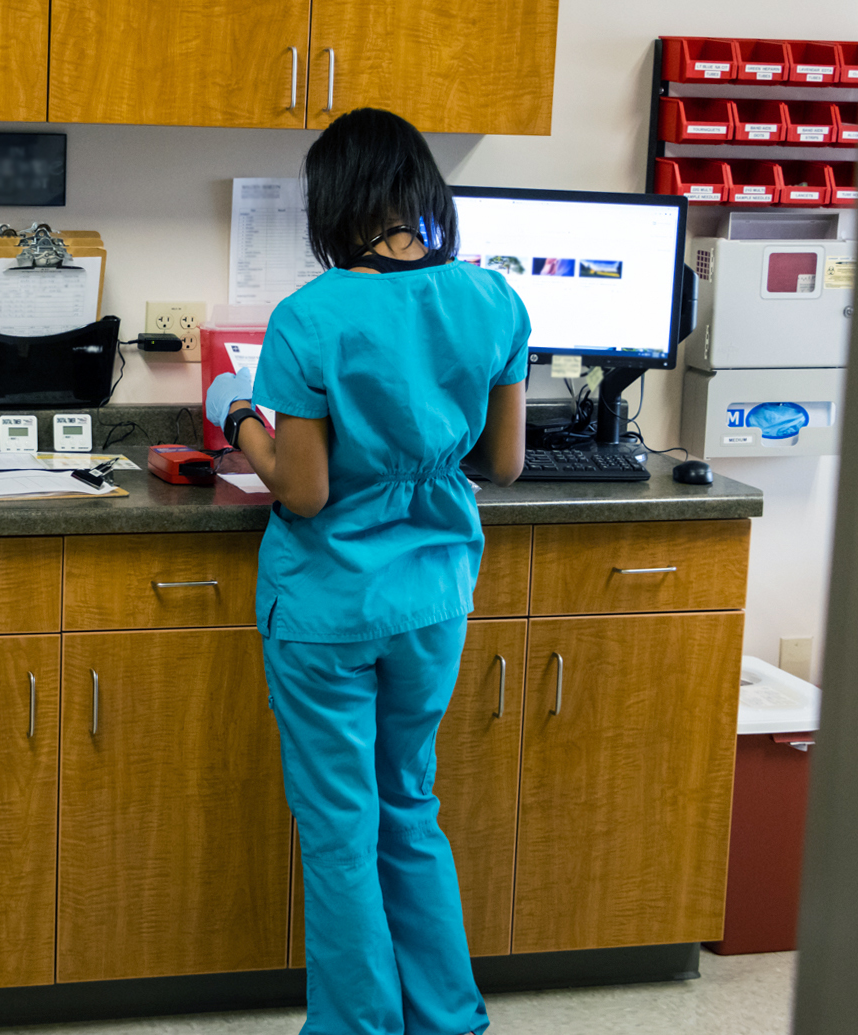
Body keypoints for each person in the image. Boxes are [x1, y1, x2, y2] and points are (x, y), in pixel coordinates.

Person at [206, 108, 527, 1035]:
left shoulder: (312, 315)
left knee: (341, 828)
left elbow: (301, 491)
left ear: (332, 203)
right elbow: (500, 464)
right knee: (410, 806)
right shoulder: (495, 300)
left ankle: (357, 1026)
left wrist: (241, 422)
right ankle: (447, 1018)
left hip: (329, 606)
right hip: (432, 596)